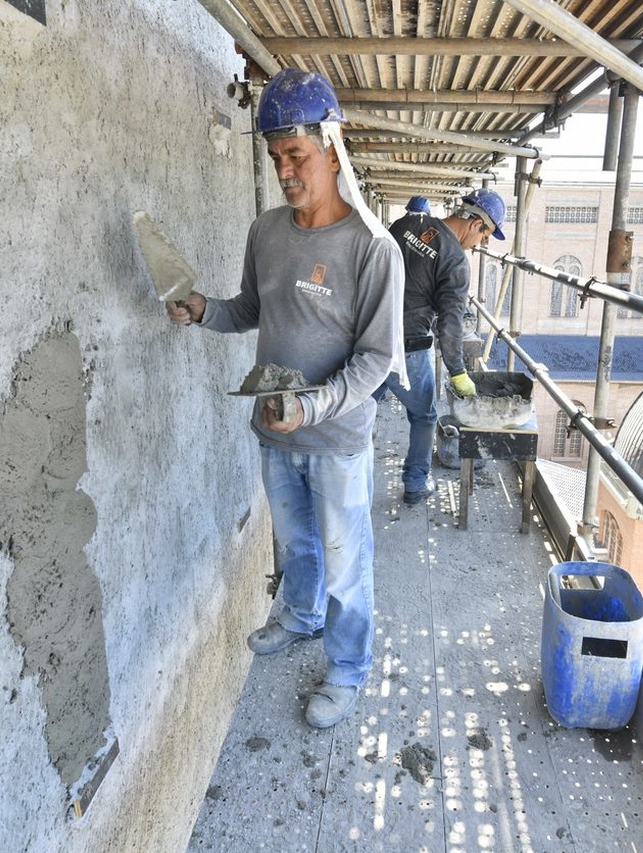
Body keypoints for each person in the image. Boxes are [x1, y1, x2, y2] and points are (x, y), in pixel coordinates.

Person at [166, 67, 405, 729]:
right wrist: (203, 309)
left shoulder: (373, 248)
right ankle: (299, 619)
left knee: (346, 564)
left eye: (296, 156)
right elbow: (250, 308)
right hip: (276, 428)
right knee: (298, 545)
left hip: (334, 439)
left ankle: (348, 669)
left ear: (333, 146)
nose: (286, 171)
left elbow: (378, 359)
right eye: (276, 158)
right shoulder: (266, 232)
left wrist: (316, 405)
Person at [377, 187, 507, 506]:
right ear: (478, 225)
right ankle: (416, 484)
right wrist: (458, 372)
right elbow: (451, 324)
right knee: (425, 416)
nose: (479, 246)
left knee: (363, 406)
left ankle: (349, 478)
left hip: (367, 335)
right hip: (407, 346)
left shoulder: (405, 225)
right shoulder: (456, 262)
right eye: (485, 237)